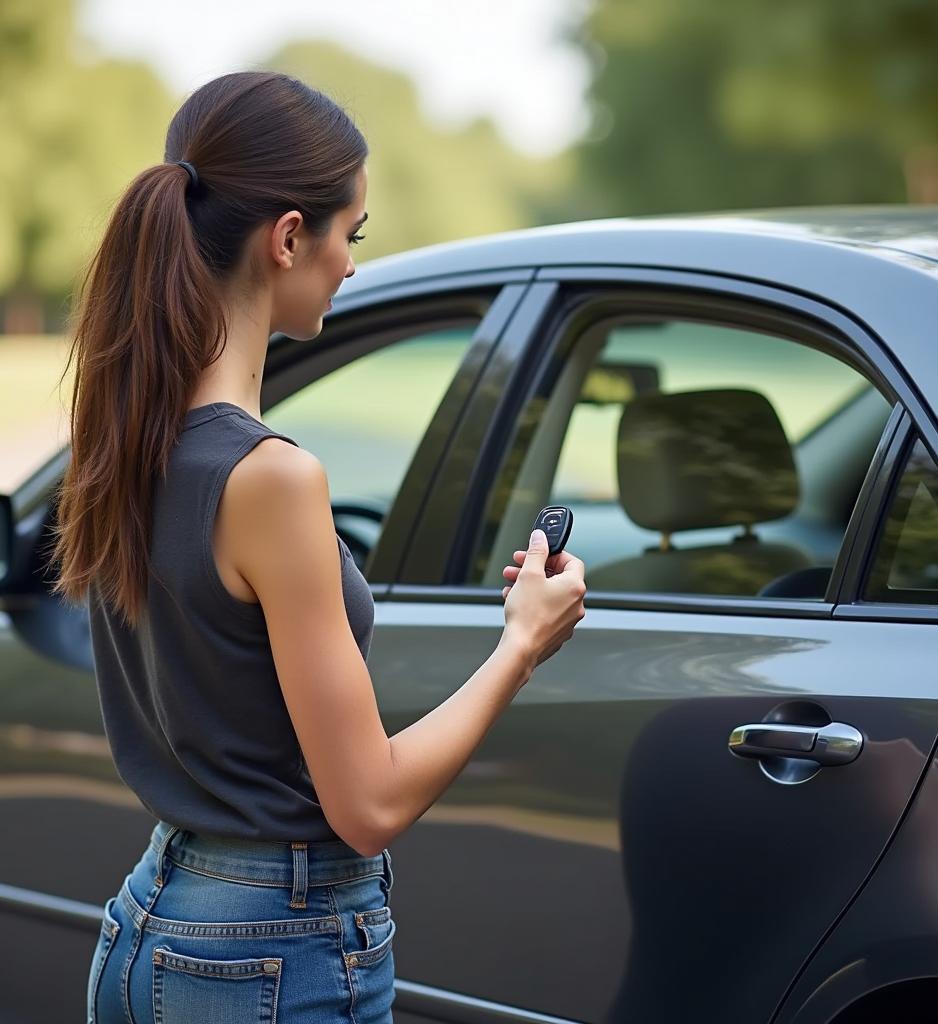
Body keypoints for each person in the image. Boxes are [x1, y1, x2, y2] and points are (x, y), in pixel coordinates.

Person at [45, 70, 586, 1024]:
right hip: (267, 950)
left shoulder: (126, 438)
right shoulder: (273, 480)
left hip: (149, 924)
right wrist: (521, 645)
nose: (350, 266)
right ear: (290, 237)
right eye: (352, 235)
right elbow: (368, 805)